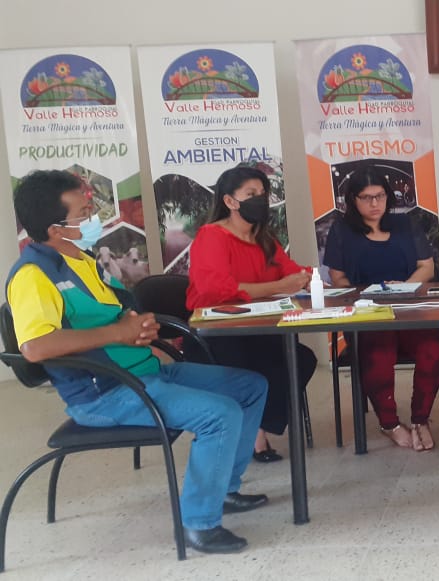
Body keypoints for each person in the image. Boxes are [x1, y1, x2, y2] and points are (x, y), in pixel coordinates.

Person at [6, 170, 269, 554]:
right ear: (56, 229)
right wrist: (118, 334)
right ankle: (199, 524)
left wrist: (139, 327)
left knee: (250, 386)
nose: (93, 217)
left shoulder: (80, 258)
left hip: (143, 372)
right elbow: (35, 347)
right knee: (220, 414)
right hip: (105, 393)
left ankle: (223, 489)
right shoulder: (33, 276)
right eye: (83, 213)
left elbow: (114, 313)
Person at [186, 166, 317, 463]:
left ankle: (255, 424)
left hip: (258, 327)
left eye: (263, 193)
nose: (260, 199)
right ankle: (254, 435)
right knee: (245, 367)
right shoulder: (212, 236)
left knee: (301, 359)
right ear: (230, 201)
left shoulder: (263, 237)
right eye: (251, 194)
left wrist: (309, 278)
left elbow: (290, 271)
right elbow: (215, 289)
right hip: (217, 333)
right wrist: (279, 286)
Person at [322, 167, 439, 451]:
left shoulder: (405, 224)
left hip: (409, 308)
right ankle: (389, 423)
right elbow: (338, 278)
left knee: (433, 346)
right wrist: (370, 293)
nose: (375, 203)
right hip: (367, 312)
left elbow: (426, 268)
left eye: (380, 196)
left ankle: (421, 418)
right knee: (378, 351)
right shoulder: (341, 230)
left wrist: (402, 288)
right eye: (366, 198)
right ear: (352, 200)